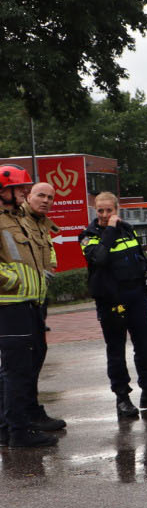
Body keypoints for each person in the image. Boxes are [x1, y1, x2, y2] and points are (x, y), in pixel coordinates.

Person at [82, 192, 147, 420]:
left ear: (117, 209)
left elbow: (142, 260)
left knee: (144, 345)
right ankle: (122, 398)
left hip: (137, 296)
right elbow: (99, 259)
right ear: (95, 211)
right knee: (116, 350)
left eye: (109, 210)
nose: (104, 215)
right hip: (111, 300)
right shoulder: (88, 235)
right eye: (100, 211)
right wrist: (110, 230)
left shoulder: (128, 229)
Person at [0, 164, 60, 447]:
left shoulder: (15, 219)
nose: (25, 192)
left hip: (28, 302)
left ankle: (11, 427)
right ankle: (19, 433)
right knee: (16, 370)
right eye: (21, 188)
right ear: (4, 191)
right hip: (10, 304)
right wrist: (12, 281)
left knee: (21, 368)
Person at [23, 182, 65, 433]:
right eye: (40, 195)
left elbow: (48, 256)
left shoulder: (41, 224)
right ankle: (19, 416)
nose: (46, 200)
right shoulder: (21, 221)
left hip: (38, 298)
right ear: (28, 196)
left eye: (50, 197)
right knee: (20, 361)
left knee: (37, 354)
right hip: (19, 300)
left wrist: (49, 268)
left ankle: (30, 410)